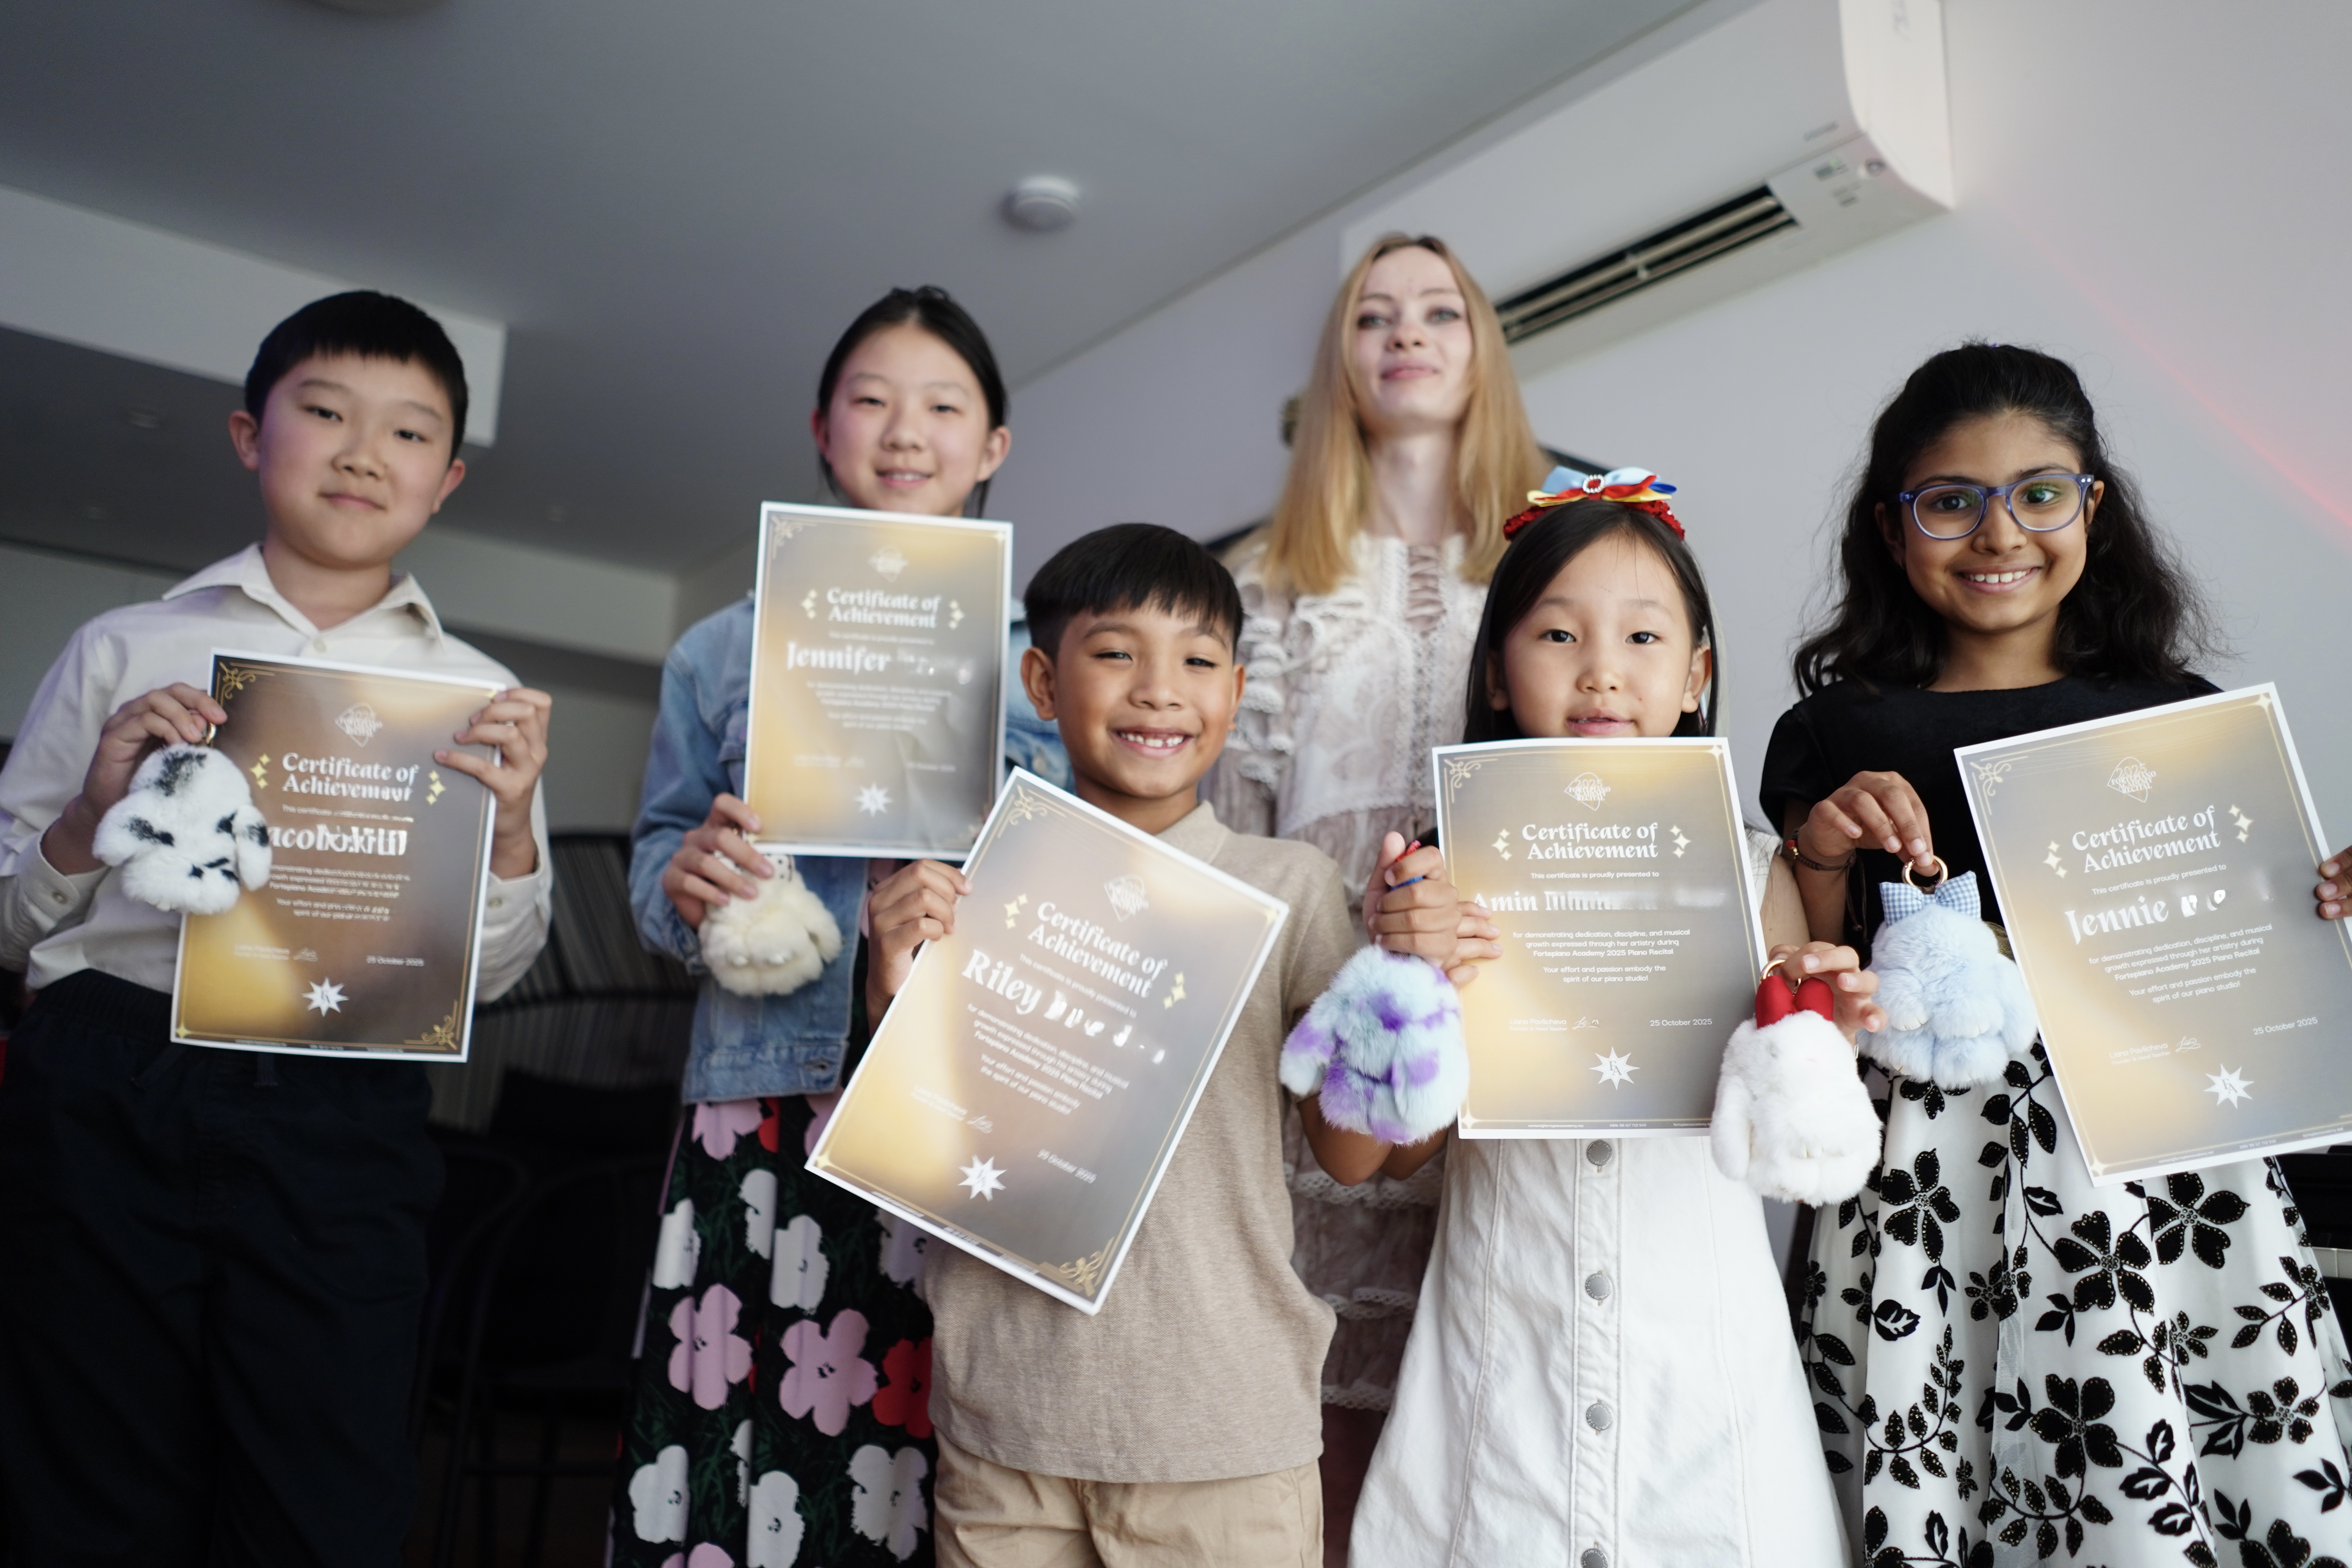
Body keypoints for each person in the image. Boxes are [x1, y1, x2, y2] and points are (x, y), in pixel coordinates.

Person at [1766, 342, 2352, 1562]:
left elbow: (2243, 956)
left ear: (2094, 507)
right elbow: (1802, 994)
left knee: (2169, 1478)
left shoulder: (2179, 717)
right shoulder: (1831, 733)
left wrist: (2327, 903)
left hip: (2164, 1171)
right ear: (1892, 527)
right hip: (1925, 1182)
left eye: (2041, 492)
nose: (2000, 534)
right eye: (1950, 501)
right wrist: (1821, 856)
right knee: (1938, 1482)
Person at [0, 290, 555, 1564]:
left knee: (330, 1494)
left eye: (408, 433)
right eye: (325, 412)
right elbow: (9, 925)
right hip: (106, 1076)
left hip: (342, 1101)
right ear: (252, 435)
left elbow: (496, 975)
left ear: (449, 479)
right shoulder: (123, 647)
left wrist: (515, 833)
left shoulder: (478, 699)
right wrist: (93, 807)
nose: (365, 453)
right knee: (86, 1482)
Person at [891, 522, 1472, 1566]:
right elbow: (919, 1145)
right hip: (1002, 1428)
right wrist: (897, 981)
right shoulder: (978, 882)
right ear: (1041, 679)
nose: (1160, 690)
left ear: (1238, 691)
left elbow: (1351, 1156)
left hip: (1221, 1438)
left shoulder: (1287, 888)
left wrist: (1399, 987)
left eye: (1198, 661)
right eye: (1115, 654)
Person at [1348, 483, 1866, 1565]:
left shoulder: (1758, 872)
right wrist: (1408, 983)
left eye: (1642, 634)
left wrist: (1816, 1034)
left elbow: (1794, 1154)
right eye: (1556, 633)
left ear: (1696, 675)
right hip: (1496, 1411)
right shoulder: (1436, 885)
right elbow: (1371, 1159)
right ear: (1496, 670)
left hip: (1711, 1420)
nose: (1601, 668)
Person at [613, 286, 1011, 1566]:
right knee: (732, 1459)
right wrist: (689, 886)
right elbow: (654, 866)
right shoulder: (718, 652)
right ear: (822, 430)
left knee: (923, 1464)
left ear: (992, 448)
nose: (908, 431)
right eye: (874, 401)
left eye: (944, 405)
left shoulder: (1044, 656)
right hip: (759, 1097)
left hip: (950, 1110)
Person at [1207, 233, 1549, 1535]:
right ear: (1341, 361)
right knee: (1324, 1436)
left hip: (1503, 1012)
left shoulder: (1547, 563)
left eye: (1439, 312)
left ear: (1482, 351)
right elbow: (1232, 837)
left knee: (1480, 1414)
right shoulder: (1260, 581)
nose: (1406, 335)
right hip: (1315, 1019)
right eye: (1373, 316)